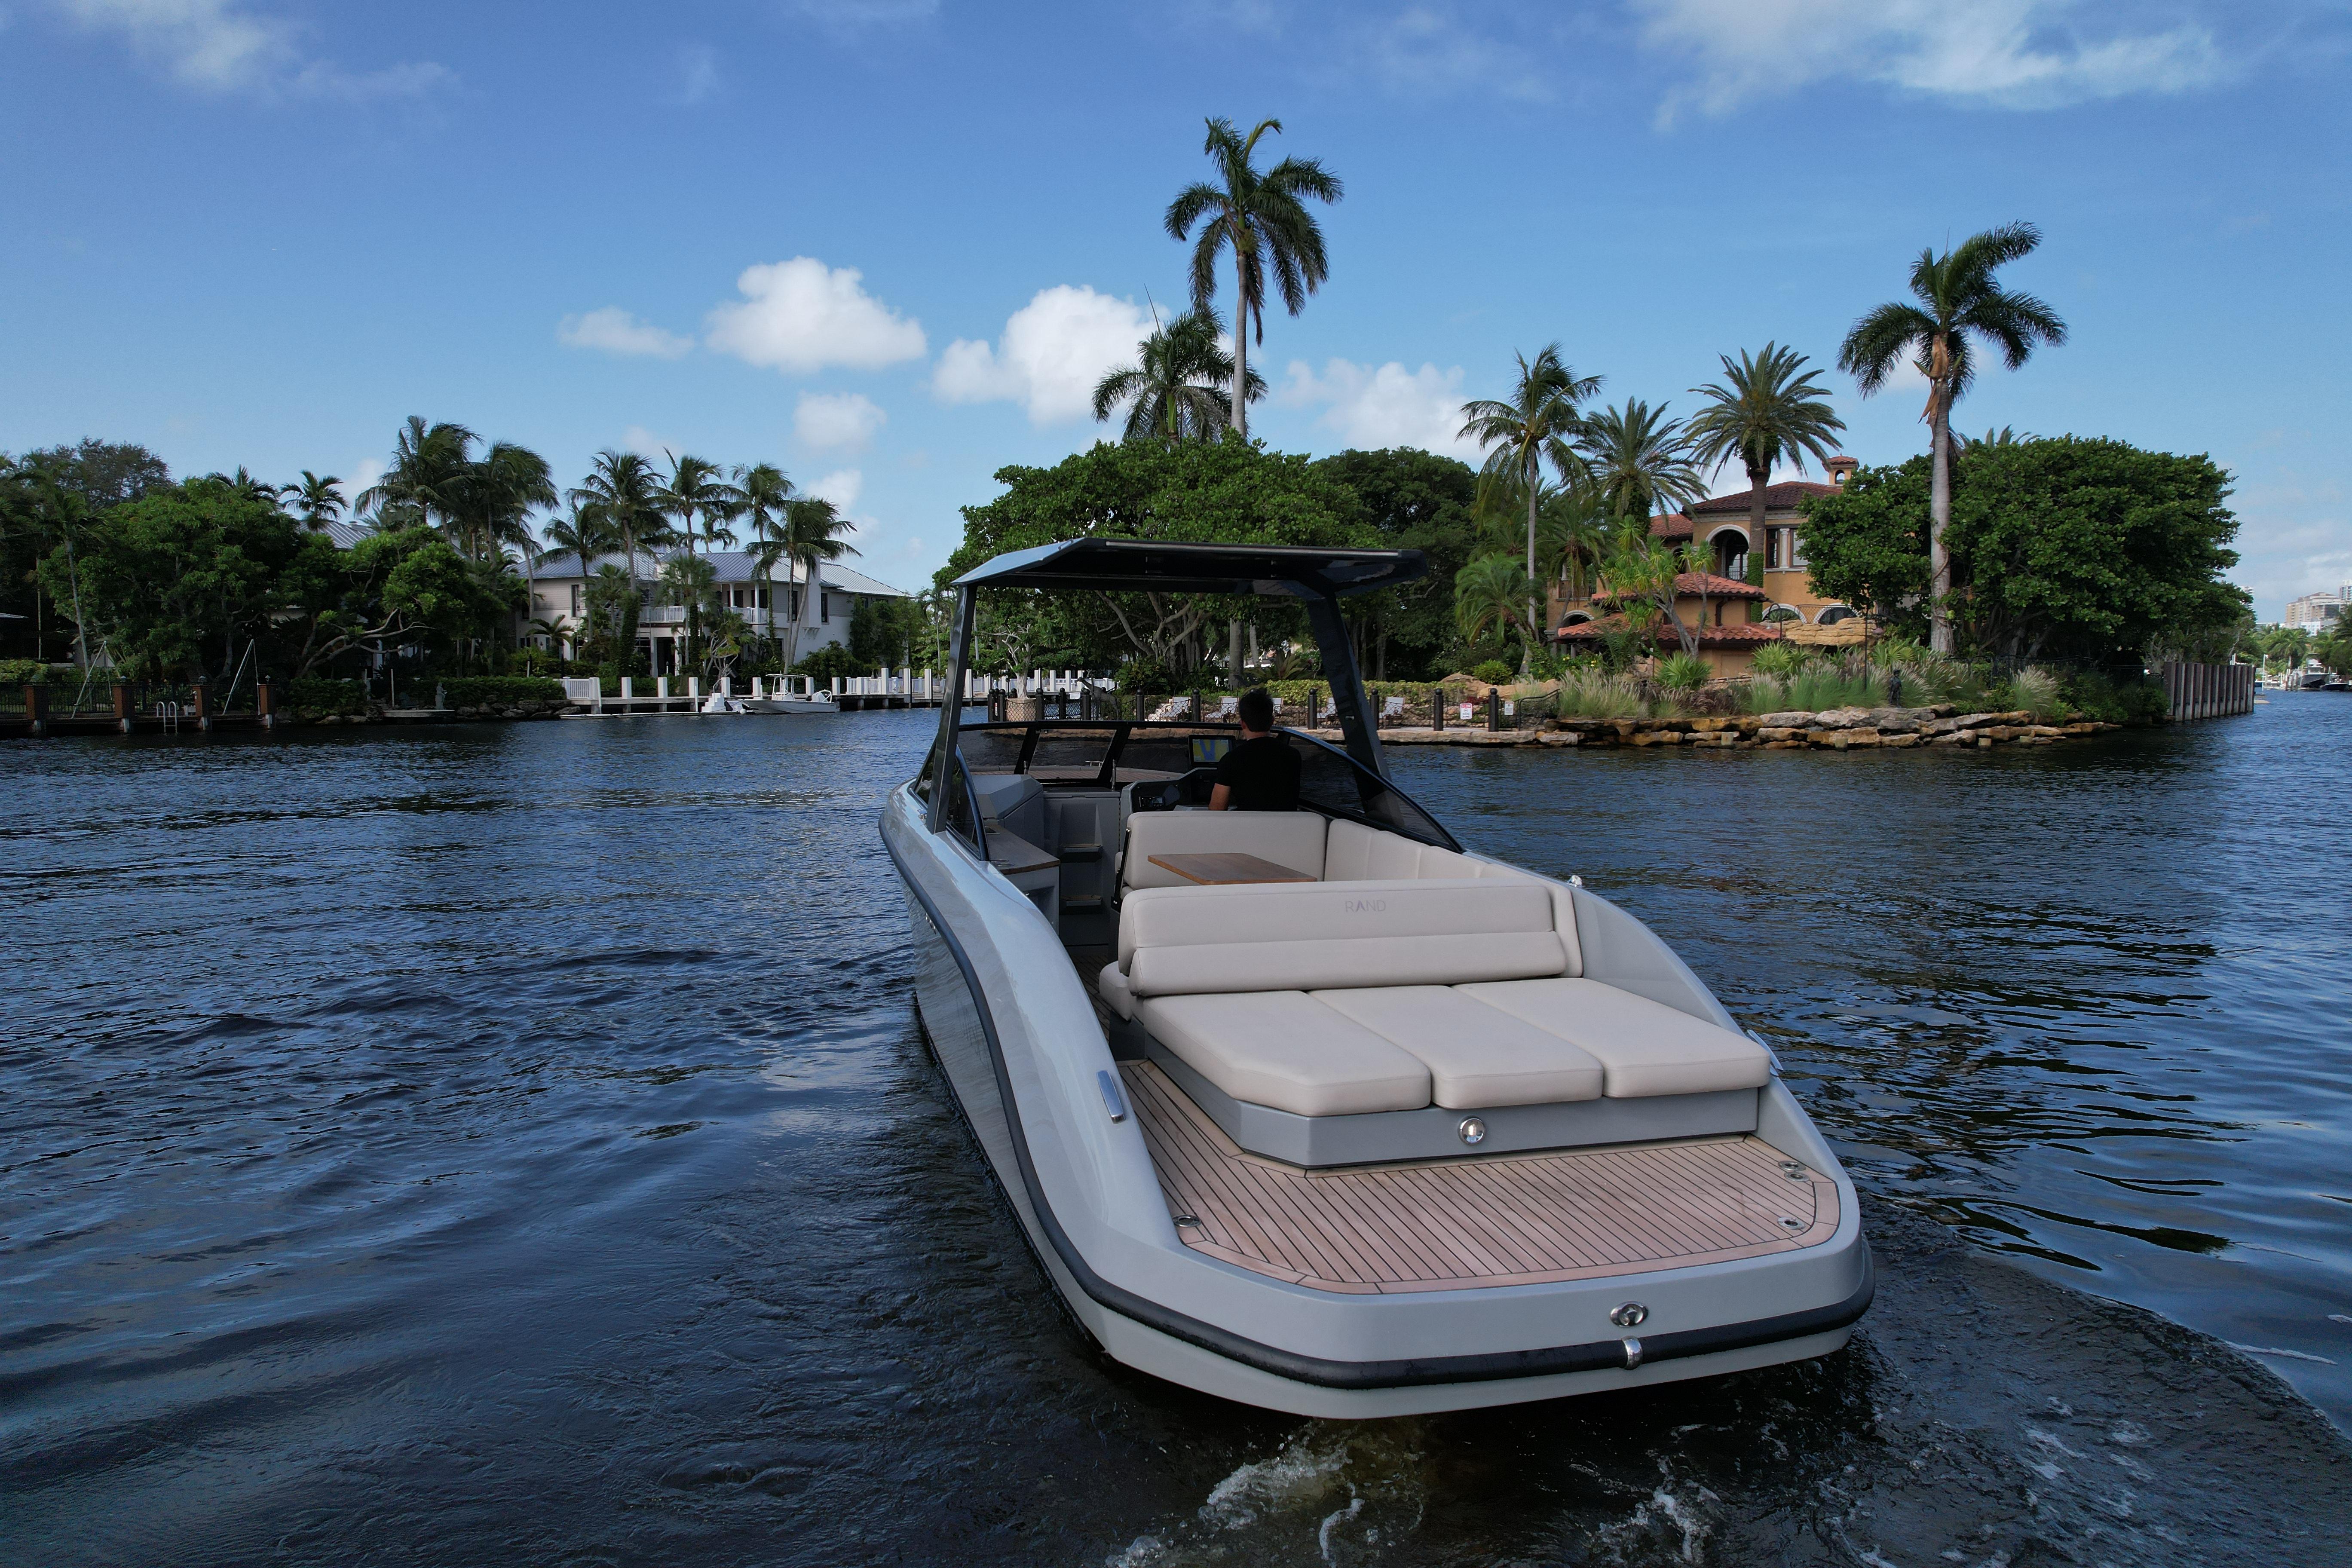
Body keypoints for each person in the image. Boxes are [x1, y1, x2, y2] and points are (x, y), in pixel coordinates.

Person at [1208, 687, 1300, 811]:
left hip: (1246, 828)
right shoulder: (1293, 756)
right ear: (1272, 721)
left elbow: (1217, 809)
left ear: (1243, 724)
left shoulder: (1231, 760)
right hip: (1284, 828)